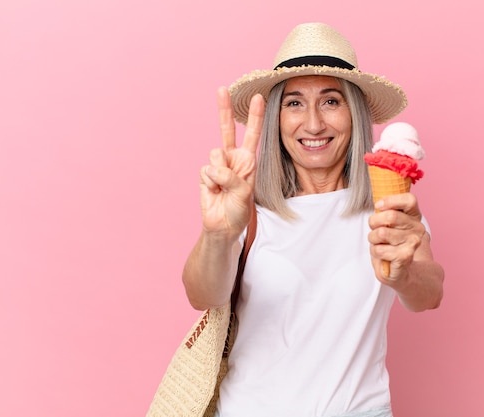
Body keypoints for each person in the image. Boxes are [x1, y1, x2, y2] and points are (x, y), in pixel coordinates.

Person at [182, 22, 444, 417]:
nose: (314, 124)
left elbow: (429, 294)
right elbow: (201, 294)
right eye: (294, 103)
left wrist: (404, 274)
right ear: (277, 118)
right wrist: (217, 235)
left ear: (354, 113)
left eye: (331, 101)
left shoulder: (390, 212)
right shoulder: (247, 212)